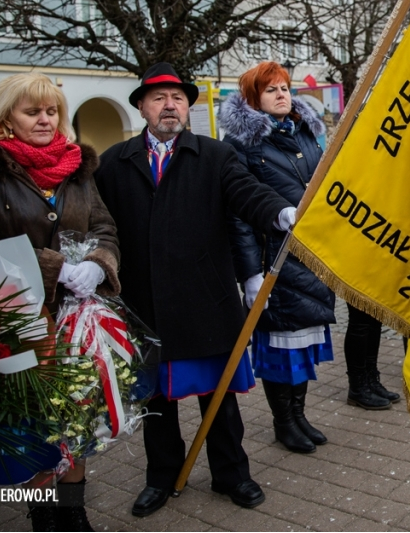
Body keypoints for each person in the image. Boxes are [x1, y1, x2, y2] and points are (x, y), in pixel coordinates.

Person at [94, 63, 292, 518]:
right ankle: (161, 477)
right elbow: (98, 223)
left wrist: (282, 213)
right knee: (157, 401)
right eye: (159, 97)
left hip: (207, 300)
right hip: (145, 306)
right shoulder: (114, 163)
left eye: (178, 98)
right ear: (142, 106)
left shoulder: (214, 155)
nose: (170, 105)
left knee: (217, 397)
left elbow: (248, 194)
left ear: (188, 106)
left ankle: (232, 474)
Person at [0, 72, 120, 532]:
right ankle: (45, 516)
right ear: (5, 117)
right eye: (32, 112)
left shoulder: (76, 165)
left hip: (78, 322)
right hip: (18, 327)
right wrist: (54, 267)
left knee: (78, 427)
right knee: (38, 432)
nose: (45, 120)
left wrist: (98, 264)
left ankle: (74, 515)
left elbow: (104, 227)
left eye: (52, 111)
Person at [218, 62, 340, 452]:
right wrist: (251, 274)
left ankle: (300, 414)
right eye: (271, 90)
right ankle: (283, 421)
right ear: (254, 98)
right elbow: (238, 215)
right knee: (280, 348)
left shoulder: (307, 133)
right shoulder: (241, 144)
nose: (282, 95)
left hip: (310, 256)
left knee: (303, 343)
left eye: (285, 88)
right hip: (274, 257)